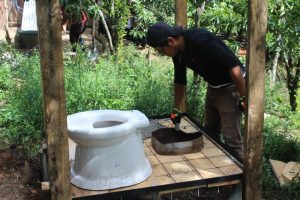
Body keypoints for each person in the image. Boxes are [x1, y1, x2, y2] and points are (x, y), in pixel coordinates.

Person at [146, 22, 246, 161]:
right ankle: (218, 171)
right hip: (214, 87)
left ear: (170, 41)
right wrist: (176, 109)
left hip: (231, 87)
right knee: (210, 133)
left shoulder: (200, 39)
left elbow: (234, 68)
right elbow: (180, 81)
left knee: (232, 139)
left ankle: (241, 181)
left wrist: (243, 98)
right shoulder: (178, 53)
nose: (163, 54)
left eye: (162, 51)